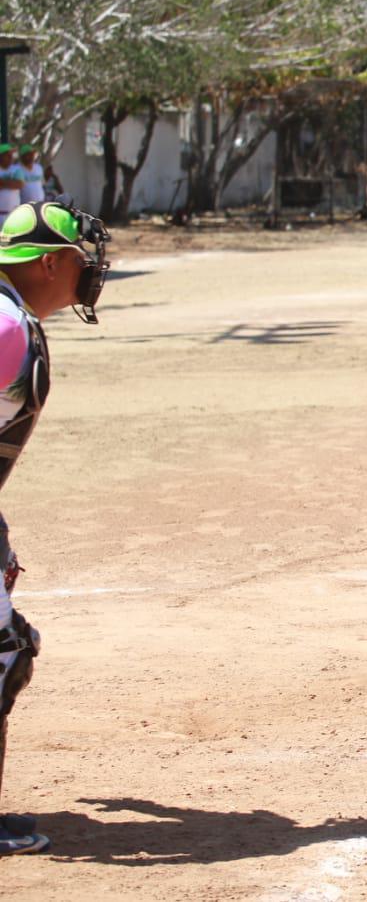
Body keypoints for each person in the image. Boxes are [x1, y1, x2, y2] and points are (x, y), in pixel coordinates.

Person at [0, 201, 113, 857]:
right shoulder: (6, 324)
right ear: (48, 263)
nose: (88, 270)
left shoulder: (11, 316)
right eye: (78, 258)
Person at [0, 147, 23, 216]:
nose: (11, 157)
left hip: (13, 214)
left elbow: (19, 184)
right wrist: (11, 182)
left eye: (11, 155)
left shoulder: (17, 169)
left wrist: (2, 183)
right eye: (7, 155)